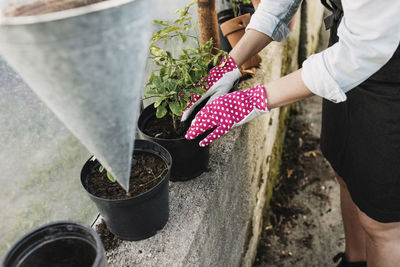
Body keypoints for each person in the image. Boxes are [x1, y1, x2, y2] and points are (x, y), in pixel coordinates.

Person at [181, 0, 400, 266]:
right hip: (351, 38)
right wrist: (231, 63)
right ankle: (354, 261)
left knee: (382, 221)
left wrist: (254, 99)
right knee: (345, 170)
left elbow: (363, 51)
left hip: (389, 71)